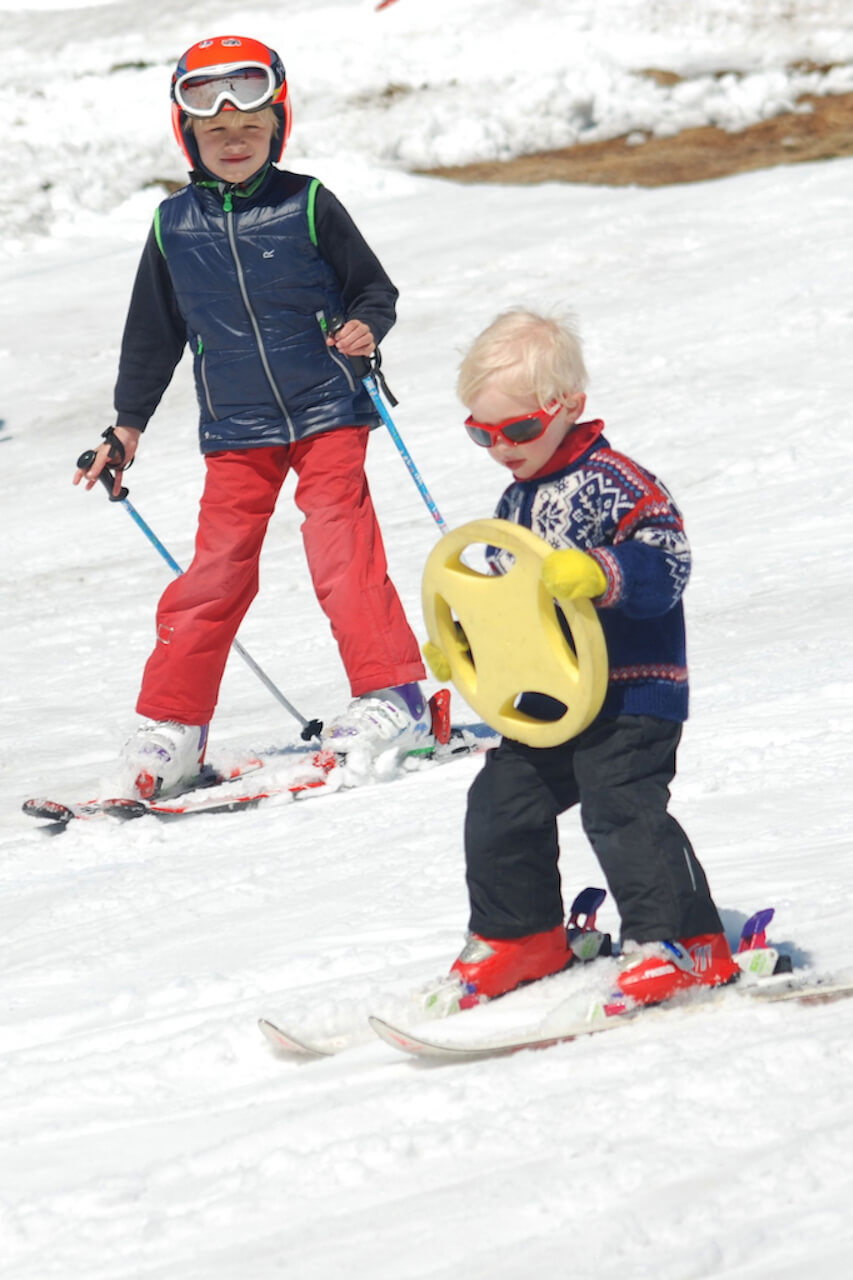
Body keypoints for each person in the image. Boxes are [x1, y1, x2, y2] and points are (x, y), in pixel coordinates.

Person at [74, 35, 429, 800]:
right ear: (189, 137)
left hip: (329, 409)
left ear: (277, 128)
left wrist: (367, 327)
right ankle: (173, 726)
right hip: (237, 429)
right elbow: (152, 334)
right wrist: (126, 425)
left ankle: (393, 698)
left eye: (250, 128)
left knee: (341, 554)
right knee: (215, 573)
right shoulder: (173, 226)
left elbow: (374, 290)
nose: (234, 142)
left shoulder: (308, 204)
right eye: (216, 131)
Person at [425, 309, 739, 1009]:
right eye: (481, 433)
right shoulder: (514, 499)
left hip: (630, 695)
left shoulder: (617, 481)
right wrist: (465, 647)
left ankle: (684, 942)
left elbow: (668, 560)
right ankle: (522, 935)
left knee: (618, 806)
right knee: (501, 802)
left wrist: (604, 571)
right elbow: (508, 601)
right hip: (548, 699)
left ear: (567, 407)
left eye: (519, 429)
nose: (500, 447)